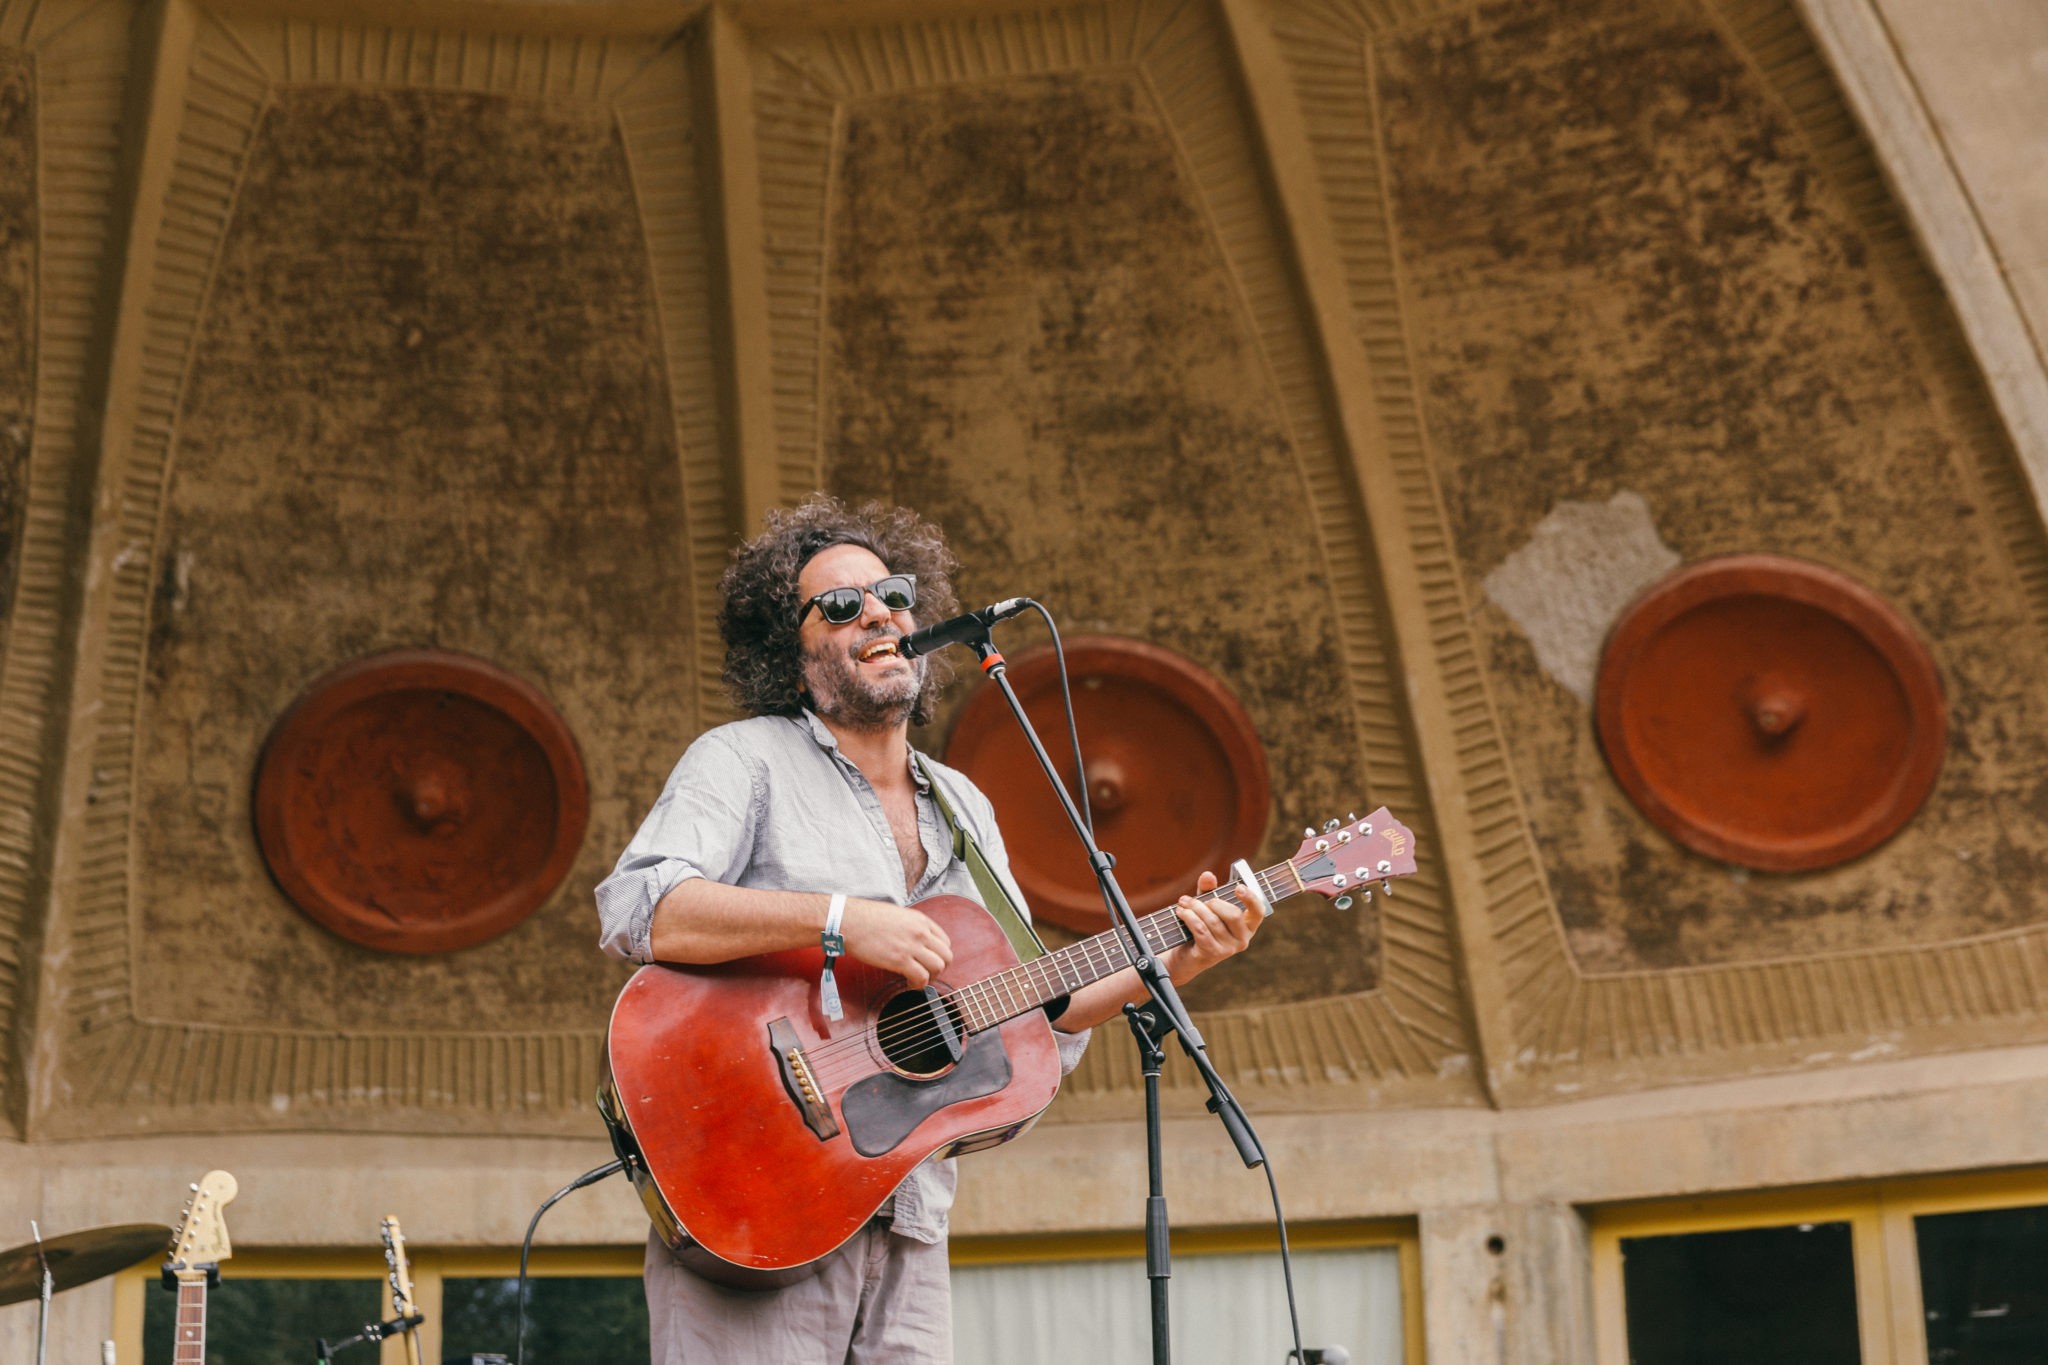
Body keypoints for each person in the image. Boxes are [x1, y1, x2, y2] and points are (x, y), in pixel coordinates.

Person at [594, 494, 1264, 1364]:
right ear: (792, 659)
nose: (878, 612)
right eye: (840, 605)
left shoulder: (965, 805)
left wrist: (1176, 957)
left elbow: (1034, 1008)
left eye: (894, 594)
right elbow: (642, 907)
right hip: (757, 1194)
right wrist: (842, 921)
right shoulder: (745, 759)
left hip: (910, 1218)